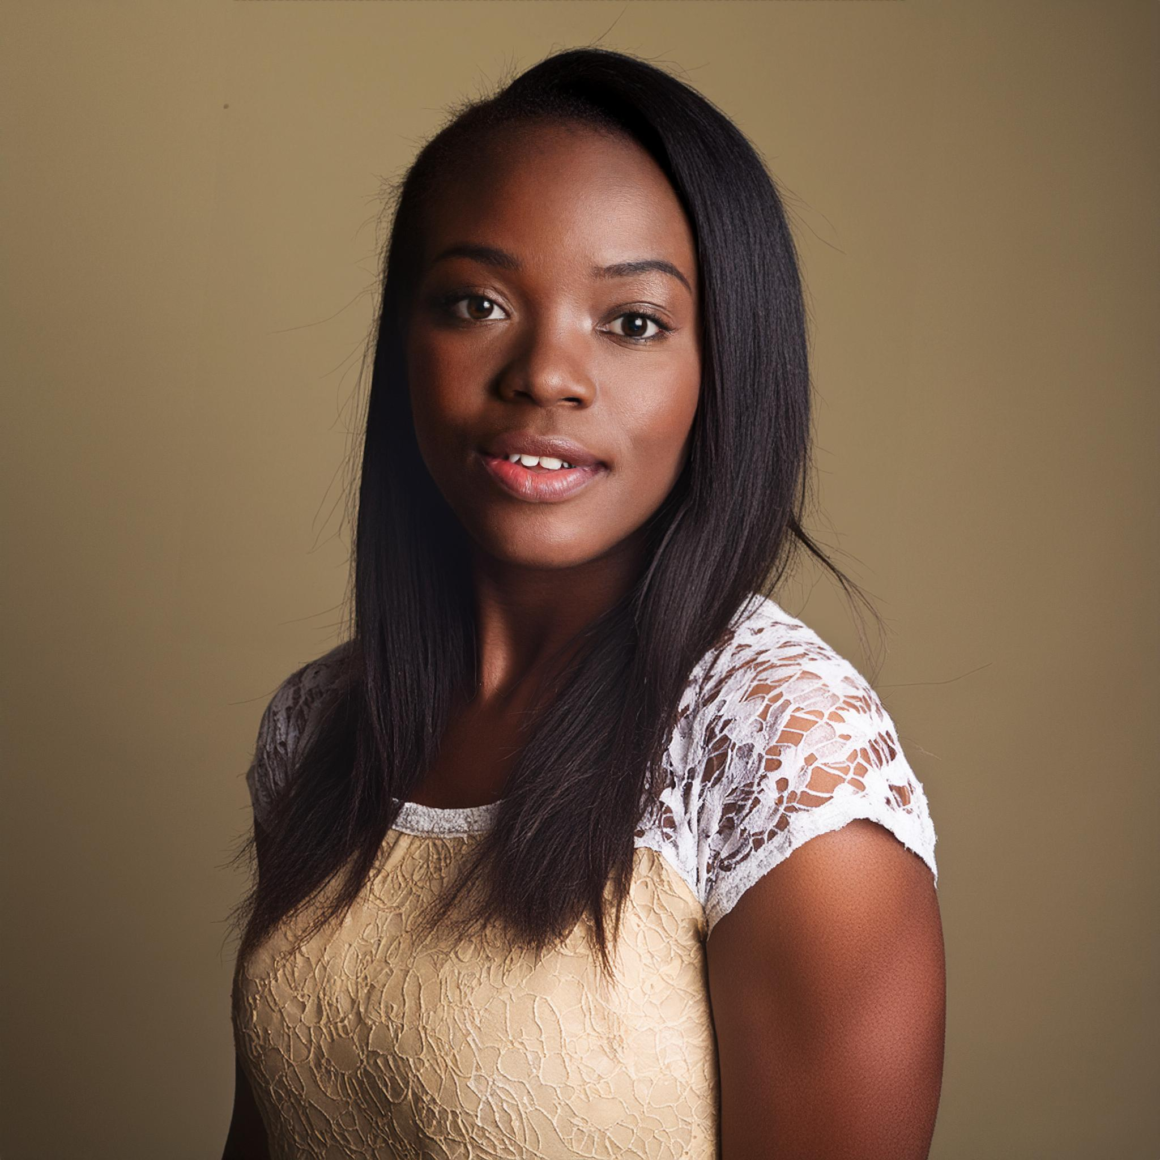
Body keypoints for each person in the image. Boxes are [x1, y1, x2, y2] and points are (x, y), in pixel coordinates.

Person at [222, 46, 944, 1160]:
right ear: (400, 347)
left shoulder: (781, 751)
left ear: (725, 366)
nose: (545, 373)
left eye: (632, 321)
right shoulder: (320, 725)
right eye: (476, 301)